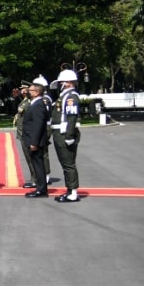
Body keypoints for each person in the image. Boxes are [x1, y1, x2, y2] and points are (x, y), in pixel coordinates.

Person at [51, 68, 82, 203]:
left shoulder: (71, 97)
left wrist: (69, 136)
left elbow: (71, 117)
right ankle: (70, 190)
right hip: (59, 132)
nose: (60, 84)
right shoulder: (64, 95)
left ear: (68, 82)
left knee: (68, 164)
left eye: (62, 82)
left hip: (64, 133)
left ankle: (73, 192)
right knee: (65, 164)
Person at [22, 77, 51, 197]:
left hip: (36, 141)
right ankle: (40, 187)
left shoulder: (39, 104)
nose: (29, 92)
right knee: (36, 164)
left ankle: (41, 189)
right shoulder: (35, 103)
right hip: (32, 139)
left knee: (38, 165)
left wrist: (34, 142)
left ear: (37, 92)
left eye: (31, 90)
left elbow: (38, 125)